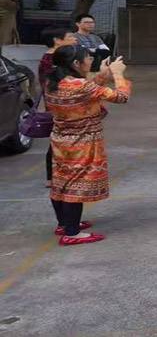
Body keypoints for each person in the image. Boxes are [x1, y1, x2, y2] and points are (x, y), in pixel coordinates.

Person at [45, 46, 129, 245]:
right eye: (88, 58)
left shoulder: (53, 81)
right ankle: (72, 233)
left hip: (60, 140)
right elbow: (121, 97)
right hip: (83, 142)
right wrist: (117, 74)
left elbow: (88, 91)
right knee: (76, 186)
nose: (90, 61)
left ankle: (64, 224)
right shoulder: (80, 85)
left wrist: (103, 74)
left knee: (62, 181)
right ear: (76, 63)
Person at [39, 27, 77, 188]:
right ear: (57, 40)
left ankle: (62, 173)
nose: (74, 39)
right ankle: (52, 175)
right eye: (70, 36)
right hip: (59, 107)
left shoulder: (58, 57)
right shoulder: (50, 60)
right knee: (57, 141)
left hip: (63, 105)